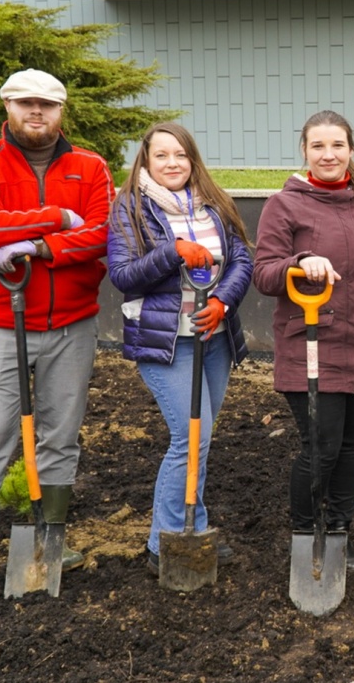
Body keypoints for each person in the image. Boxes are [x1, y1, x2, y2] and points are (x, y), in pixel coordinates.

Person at [0, 69, 113, 602]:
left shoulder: (90, 166)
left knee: (61, 435)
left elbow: (102, 232)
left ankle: (49, 544)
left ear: (63, 111)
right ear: (7, 106)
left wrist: (42, 247)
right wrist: (57, 216)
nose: (38, 113)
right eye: (27, 104)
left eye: (49, 105)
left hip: (73, 324)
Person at [107, 122, 253, 574]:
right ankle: (163, 541)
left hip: (213, 339)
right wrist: (173, 252)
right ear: (146, 161)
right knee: (190, 439)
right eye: (161, 156)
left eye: (181, 155)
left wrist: (225, 303)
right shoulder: (130, 208)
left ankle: (193, 525)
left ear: (193, 160)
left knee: (200, 441)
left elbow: (241, 259)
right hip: (166, 343)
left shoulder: (215, 203)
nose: (173, 164)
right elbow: (123, 275)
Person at [253, 110, 354, 572]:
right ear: (305, 151)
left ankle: (338, 532)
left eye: (337, 145)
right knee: (321, 446)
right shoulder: (285, 205)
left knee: (352, 444)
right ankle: (305, 533)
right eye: (318, 146)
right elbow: (264, 274)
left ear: (352, 149)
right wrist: (301, 260)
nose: (329, 154)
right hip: (312, 345)